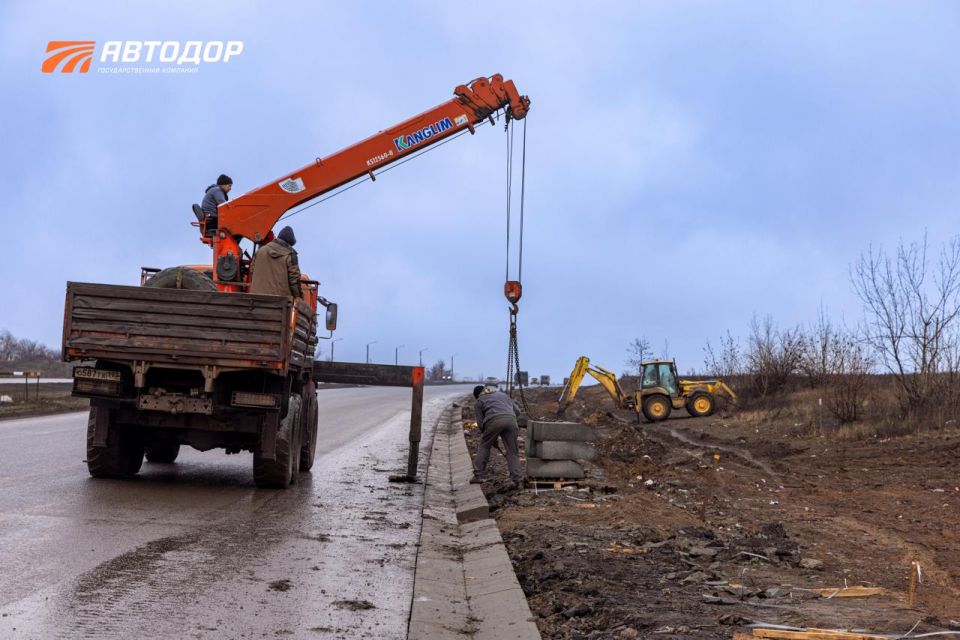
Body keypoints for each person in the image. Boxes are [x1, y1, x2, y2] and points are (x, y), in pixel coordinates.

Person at [471, 384, 524, 489]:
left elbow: (480, 423)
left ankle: (478, 475)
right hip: (512, 420)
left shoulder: (479, 401)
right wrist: (508, 417)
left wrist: (489, 438)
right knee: (512, 451)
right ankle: (517, 479)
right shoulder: (502, 395)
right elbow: (517, 411)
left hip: (493, 421)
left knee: (484, 446)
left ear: (477, 395)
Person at [249, 226, 302, 298]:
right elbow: (294, 280)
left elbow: (252, 270)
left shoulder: (260, 251)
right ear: (290, 243)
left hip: (256, 299)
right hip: (280, 301)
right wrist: (298, 297)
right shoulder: (290, 255)